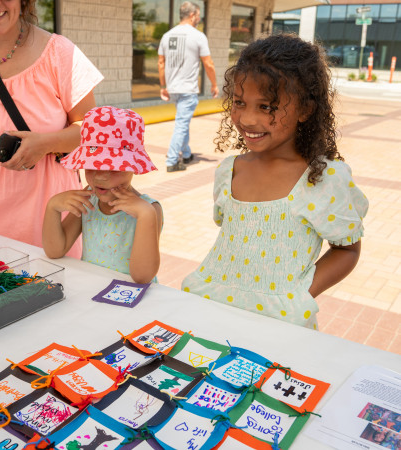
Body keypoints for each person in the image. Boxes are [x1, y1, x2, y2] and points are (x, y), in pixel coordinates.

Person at [181, 34, 369, 329]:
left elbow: (347, 249)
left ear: (306, 109)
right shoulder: (230, 170)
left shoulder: (323, 179)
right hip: (211, 307)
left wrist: (299, 296)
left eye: (267, 107)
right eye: (240, 102)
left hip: (279, 324)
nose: (247, 118)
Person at [0, 0, 103, 256]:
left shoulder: (59, 52)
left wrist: (45, 144)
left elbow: (91, 130)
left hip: (49, 213)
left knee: (54, 288)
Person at [43, 106, 163, 284]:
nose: (100, 176)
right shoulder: (88, 201)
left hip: (132, 301)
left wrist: (145, 216)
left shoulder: (149, 209)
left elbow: (142, 276)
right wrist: (52, 207)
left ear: (133, 167)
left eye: (112, 166)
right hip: (92, 292)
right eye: (92, 165)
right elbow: (55, 251)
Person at [158, 1, 219, 173]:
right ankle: (171, 161)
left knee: (182, 121)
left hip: (173, 88)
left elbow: (161, 63)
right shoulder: (198, 36)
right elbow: (208, 63)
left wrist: (163, 85)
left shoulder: (166, 36)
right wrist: (214, 85)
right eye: (199, 15)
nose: (199, 18)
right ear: (192, 15)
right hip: (187, 89)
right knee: (181, 124)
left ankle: (186, 154)